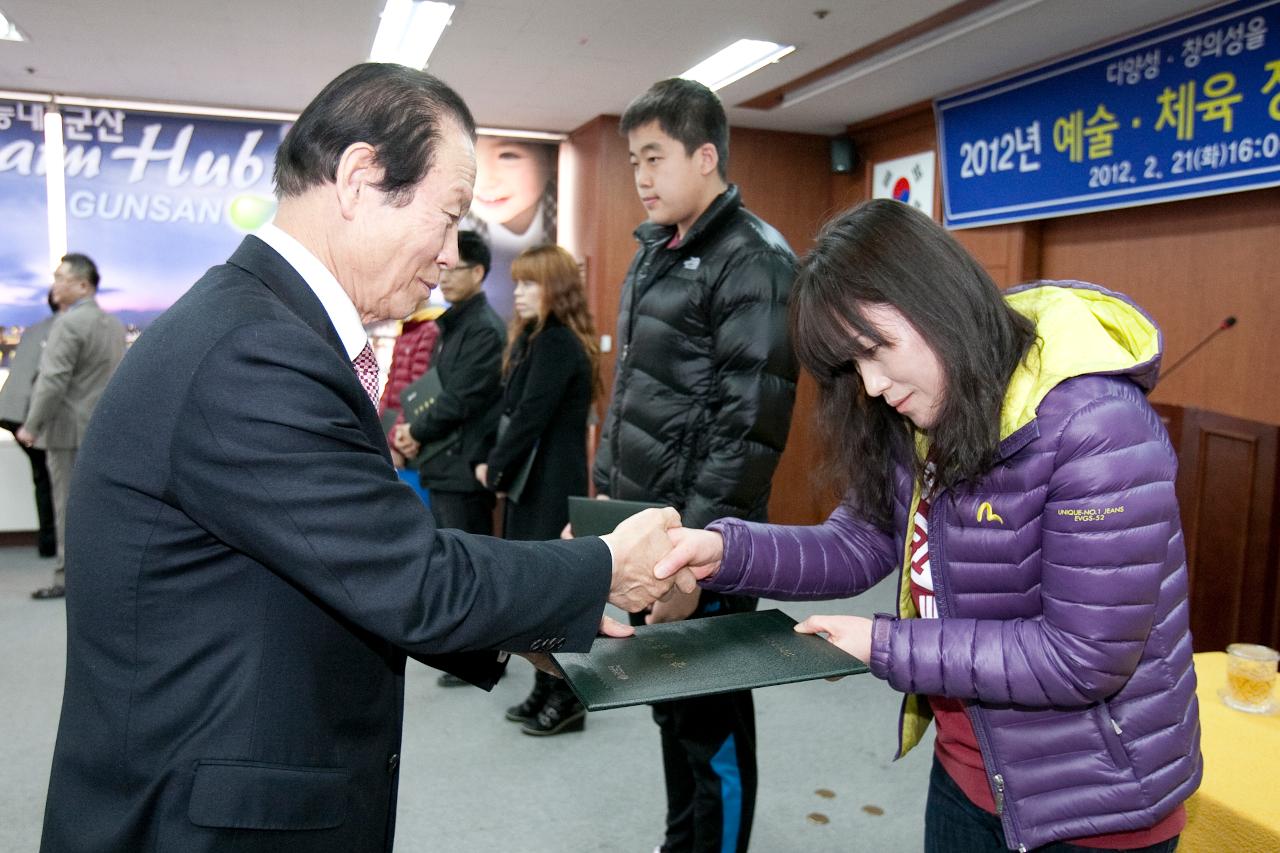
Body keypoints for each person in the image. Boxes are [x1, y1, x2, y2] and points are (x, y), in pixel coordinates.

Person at [39, 63, 690, 853]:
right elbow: (408, 576)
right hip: (200, 817)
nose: (450, 255)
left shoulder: (257, 324)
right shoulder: (253, 352)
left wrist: (522, 619)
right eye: (447, 215)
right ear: (359, 178)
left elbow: (349, 560)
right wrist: (604, 567)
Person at [656, 199, 1202, 853]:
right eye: (852, 367)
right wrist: (722, 548)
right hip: (972, 768)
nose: (874, 385)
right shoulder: (923, 415)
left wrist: (886, 646)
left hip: (1094, 800)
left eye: (876, 350)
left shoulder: (1096, 427)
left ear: (934, 300)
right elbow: (858, 541)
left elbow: (1084, 657)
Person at [589, 78, 799, 853]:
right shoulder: (659, 251)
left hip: (704, 542)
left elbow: (747, 430)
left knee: (708, 716)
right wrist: (609, 493)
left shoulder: (753, 260)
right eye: (633, 159)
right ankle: (685, 839)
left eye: (655, 156)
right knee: (670, 706)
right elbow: (641, 394)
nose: (641, 176)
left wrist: (689, 562)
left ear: (705, 155)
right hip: (646, 526)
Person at [477, 244, 602, 736]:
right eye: (519, 282)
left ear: (558, 288)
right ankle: (547, 685)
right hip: (537, 483)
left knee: (550, 592)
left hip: (548, 484)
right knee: (537, 590)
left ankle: (566, 693)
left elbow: (528, 418)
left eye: (532, 283)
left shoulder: (555, 343)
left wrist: (496, 469)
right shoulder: (538, 338)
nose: (520, 292)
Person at [16, 255, 126, 599]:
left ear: (82, 284)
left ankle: (67, 578)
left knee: (67, 506)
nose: (54, 285)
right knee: (101, 509)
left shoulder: (67, 325)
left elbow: (53, 380)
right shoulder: (112, 325)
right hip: (102, 430)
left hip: (66, 432)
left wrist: (32, 425)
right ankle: (104, 576)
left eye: (61, 278)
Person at [391, 229, 504, 538]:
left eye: (457, 269)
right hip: (440, 464)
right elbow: (433, 391)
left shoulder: (484, 330)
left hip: (463, 471)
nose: (446, 276)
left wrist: (415, 431)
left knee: (465, 566)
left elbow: (460, 399)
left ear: (478, 273)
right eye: (443, 268)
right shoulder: (452, 325)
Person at [464, 135, 557, 319]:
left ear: (552, 159)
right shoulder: (451, 225)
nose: (484, 180)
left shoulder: (576, 214)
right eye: (469, 156)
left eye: (508, 156)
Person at [0, 290, 60, 559]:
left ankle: (48, 543)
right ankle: (52, 543)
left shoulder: (36, 328)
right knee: (52, 479)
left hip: (9, 411)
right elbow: (50, 380)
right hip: (27, 414)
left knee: (43, 478)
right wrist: (34, 424)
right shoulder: (64, 329)